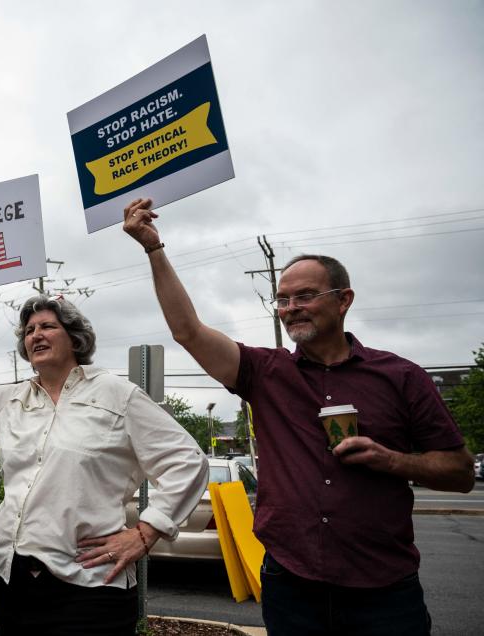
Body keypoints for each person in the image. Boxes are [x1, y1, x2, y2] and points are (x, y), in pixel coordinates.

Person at [122, 197, 474, 635]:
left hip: (384, 590)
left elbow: (460, 472)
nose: (290, 308)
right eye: (283, 299)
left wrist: (392, 460)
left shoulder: (401, 376)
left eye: (305, 296)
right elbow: (187, 331)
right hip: (291, 585)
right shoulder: (265, 373)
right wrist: (154, 249)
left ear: (344, 299)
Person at [0, 283, 209, 636]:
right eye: (28, 331)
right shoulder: (8, 401)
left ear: (75, 337)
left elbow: (188, 461)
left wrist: (146, 533)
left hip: (90, 588)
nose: (35, 335)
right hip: (10, 580)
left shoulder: (117, 395)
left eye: (47, 326)